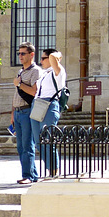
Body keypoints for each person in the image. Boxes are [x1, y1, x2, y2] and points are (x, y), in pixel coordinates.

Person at [30, 49, 66, 178]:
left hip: (50, 104)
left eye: (43, 58)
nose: (41, 61)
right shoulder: (45, 73)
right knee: (38, 141)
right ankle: (49, 169)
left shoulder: (58, 71)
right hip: (38, 104)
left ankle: (53, 171)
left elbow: (52, 56)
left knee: (47, 139)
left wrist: (57, 55)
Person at [12, 42, 43, 184]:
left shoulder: (36, 71)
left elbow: (34, 91)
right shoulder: (20, 72)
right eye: (19, 53)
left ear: (31, 54)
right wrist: (12, 114)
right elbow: (16, 95)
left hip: (27, 111)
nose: (20, 56)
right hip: (18, 112)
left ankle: (28, 176)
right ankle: (32, 174)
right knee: (20, 146)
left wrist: (19, 84)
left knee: (27, 145)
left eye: (23, 53)